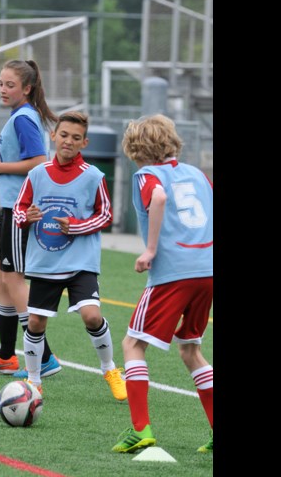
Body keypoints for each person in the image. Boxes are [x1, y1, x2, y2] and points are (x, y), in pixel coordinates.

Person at [110, 114, 213, 454]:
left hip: (174, 272)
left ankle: (141, 429)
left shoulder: (147, 175)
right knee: (191, 350)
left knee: (132, 344)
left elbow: (158, 198)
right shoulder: (198, 174)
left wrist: (151, 249)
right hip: (206, 271)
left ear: (136, 148)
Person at [13, 111, 127, 401]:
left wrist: (76, 226)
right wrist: (26, 217)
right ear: (53, 136)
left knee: (92, 316)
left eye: (76, 138)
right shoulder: (36, 174)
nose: (68, 141)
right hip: (45, 263)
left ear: (84, 142)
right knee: (36, 323)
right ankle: (34, 380)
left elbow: (105, 214)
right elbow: (18, 210)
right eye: (64, 135)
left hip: (80, 262)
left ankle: (111, 369)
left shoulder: (93, 176)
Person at [0, 59, 62, 379]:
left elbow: (39, 161)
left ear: (27, 88)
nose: (2, 90)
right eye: (0, 84)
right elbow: (24, 158)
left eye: (10, 85)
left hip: (19, 210)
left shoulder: (24, 117)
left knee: (13, 278)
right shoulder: (19, 116)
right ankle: (7, 355)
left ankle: (45, 357)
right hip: (8, 206)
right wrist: (2, 157)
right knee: (0, 277)